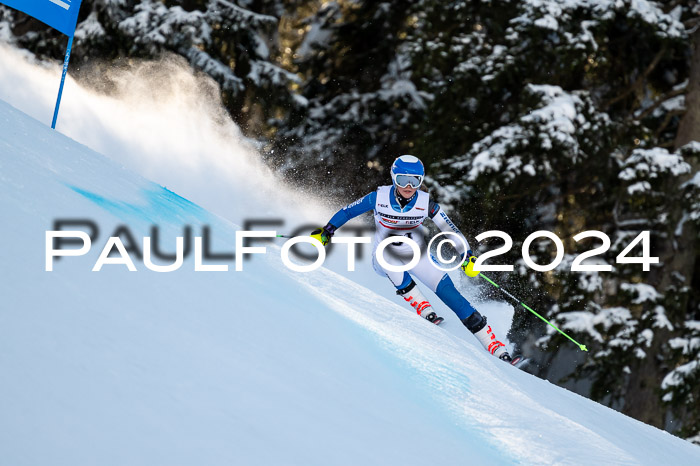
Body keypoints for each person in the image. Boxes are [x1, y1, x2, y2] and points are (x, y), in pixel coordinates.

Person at [311, 155, 514, 362]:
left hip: (416, 253)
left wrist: (467, 257)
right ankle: (422, 306)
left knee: (451, 295)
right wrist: (327, 231)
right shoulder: (378, 197)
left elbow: (449, 229)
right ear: (393, 178)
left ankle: (495, 347)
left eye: (415, 181)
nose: (408, 186)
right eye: (402, 180)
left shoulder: (426, 204)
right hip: (383, 258)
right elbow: (348, 212)